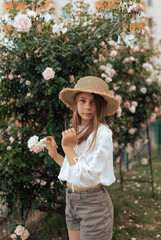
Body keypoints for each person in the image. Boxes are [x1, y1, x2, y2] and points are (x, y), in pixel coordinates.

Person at [44, 76, 120, 240]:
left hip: (93, 205)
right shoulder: (77, 130)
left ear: (100, 105)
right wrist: (55, 154)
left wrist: (68, 147)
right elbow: (75, 169)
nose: (87, 107)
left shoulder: (102, 134)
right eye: (82, 100)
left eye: (93, 102)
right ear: (75, 104)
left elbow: (87, 177)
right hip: (72, 199)